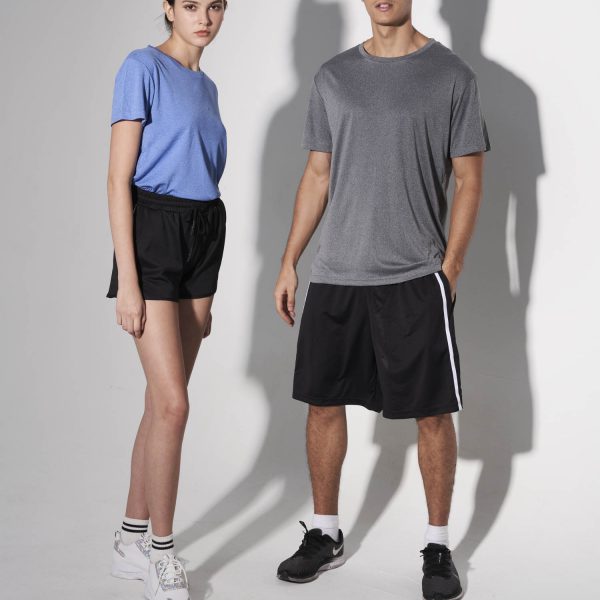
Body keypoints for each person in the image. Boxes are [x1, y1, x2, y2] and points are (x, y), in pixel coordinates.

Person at [273, 0, 490, 598]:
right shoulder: (333, 76)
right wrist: (290, 260)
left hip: (414, 275)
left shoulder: (452, 75)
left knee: (432, 412)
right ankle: (325, 533)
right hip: (337, 272)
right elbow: (318, 174)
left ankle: (439, 547)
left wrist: (450, 266)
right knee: (322, 404)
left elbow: (469, 178)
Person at [105, 2, 228, 599]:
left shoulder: (207, 86)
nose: (204, 17)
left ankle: (129, 539)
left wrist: (206, 277)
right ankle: (161, 552)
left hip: (204, 234)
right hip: (154, 232)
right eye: (191, 5)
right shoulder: (141, 67)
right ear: (168, 8)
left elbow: (203, 174)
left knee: (161, 403)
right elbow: (117, 179)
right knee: (175, 406)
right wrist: (128, 282)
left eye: (216, 6)